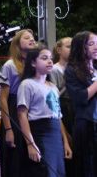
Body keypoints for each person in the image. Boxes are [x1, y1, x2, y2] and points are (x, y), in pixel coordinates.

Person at [17, 45, 72, 177]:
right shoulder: (27, 84)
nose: (50, 61)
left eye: (51, 58)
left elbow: (57, 116)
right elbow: (22, 114)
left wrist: (65, 142)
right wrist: (30, 144)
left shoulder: (53, 86)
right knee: (45, 172)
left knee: (59, 173)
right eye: (44, 58)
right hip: (40, 133)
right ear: (33, 63)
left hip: (56, 136)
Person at [0, 29, 36, 177]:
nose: (31, 39)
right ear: (17, 44)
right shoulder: (10, 65)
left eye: (32, 37)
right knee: (16, 160)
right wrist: (8, 129)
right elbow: (3, 98)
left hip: (32, 110)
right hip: (14, 111)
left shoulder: (35, 63)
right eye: (27, 38)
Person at [65, 31, 97, 177]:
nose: (96, 47)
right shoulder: (72, 70)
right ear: (80, 47)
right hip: (87, 124)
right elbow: (81, 97)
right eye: (91, 44)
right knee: (87, 167)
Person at [50, 37, 74, 177]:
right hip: (64, 109)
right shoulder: (54, 70)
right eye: (68, 46)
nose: (72, 49)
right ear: (59, 50)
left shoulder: (77, 68)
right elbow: (55, 96)